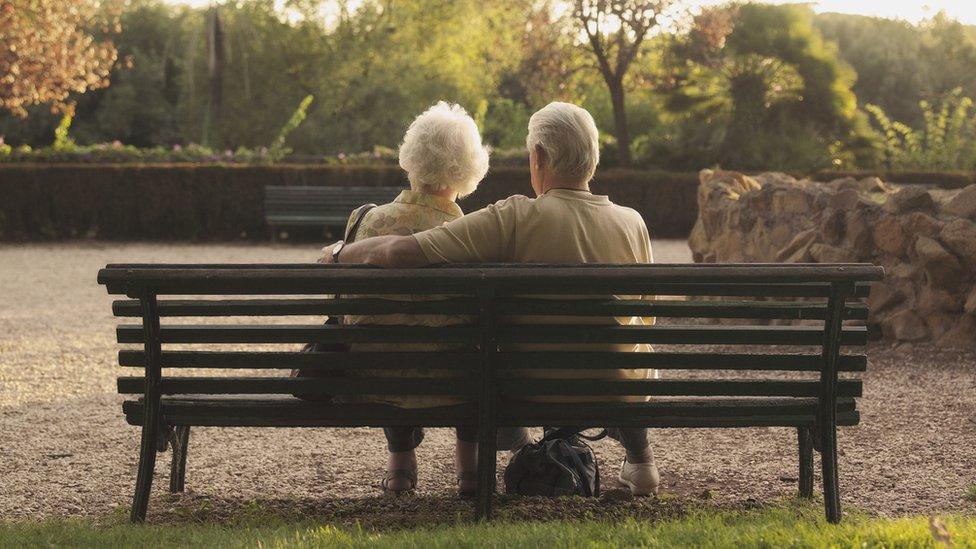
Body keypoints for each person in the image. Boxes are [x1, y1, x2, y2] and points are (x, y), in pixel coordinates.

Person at [321, 102, 660, 496]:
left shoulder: (514, 216)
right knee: (626, 357)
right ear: (594, 158)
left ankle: (505, 456)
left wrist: (340, 253)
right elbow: (645, 314)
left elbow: (400, 252)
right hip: (614, 386)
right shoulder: (633, 221)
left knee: (494, 357)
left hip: (531, 388)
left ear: (539, 157)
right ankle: (641, 462)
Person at [327, 101, 489, 496]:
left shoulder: (365, 221)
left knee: (388, 331)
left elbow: (342, 307)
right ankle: (469, 469)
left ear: (410, 157)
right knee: (476, 343)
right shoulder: (472, 231)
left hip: (374, 378)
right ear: (469, 167)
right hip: (456, 382)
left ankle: (400, 466)